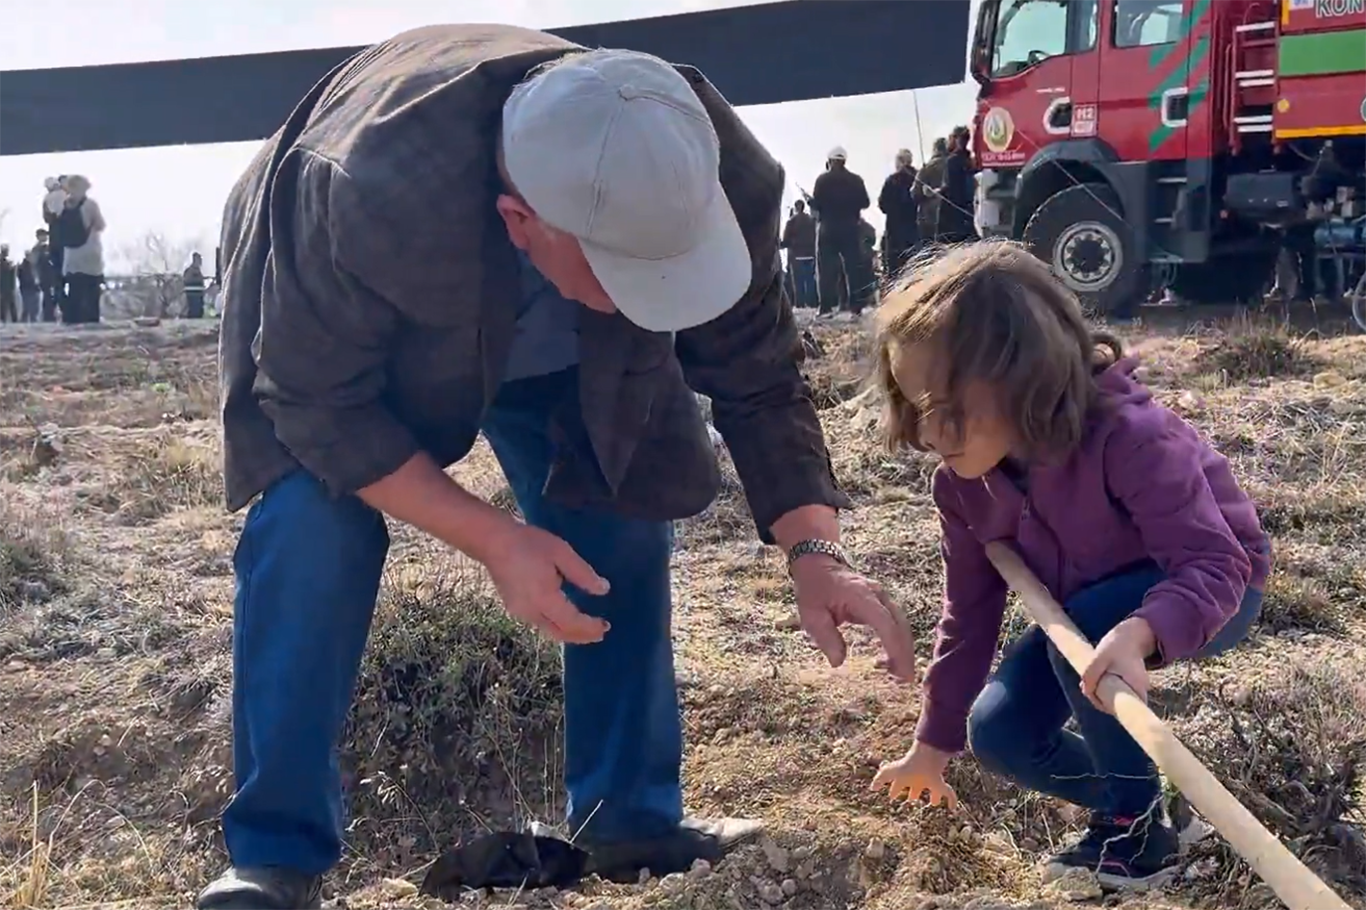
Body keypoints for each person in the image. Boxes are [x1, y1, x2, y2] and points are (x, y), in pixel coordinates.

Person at [204, 24, 916, 910]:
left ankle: (629, 817)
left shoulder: (714, 162)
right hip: (343, 323)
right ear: (521, 223)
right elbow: (317, 405)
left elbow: (759, 372)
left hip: (561, 346)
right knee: (313, 525)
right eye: (633, 274)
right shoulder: (363, 193)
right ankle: (275, 854)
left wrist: (813, 549)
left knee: (619, 493)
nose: (664, 299)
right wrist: (495, 537)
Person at [868, 242, 1270, 892]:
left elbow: (1214, 561)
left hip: (1209, 589)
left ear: (1023, 375)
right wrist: (933, 745)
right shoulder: (964, 487)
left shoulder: (1131, 437)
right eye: (910, 408)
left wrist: (1142, 633)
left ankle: (1137, 834)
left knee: (1084, 631)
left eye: (941, 409)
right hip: (1084, 616)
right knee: (999, 732)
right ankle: (1154, 801)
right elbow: (967, 619)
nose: (925, 434)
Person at [810, 146, 874, 316]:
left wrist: (811, 203)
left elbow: (816, 205)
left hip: (828, 228)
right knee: (853, 268)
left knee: (825, 270)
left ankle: (825, 308)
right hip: (850, 228)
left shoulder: (822, 180)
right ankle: (855, 307)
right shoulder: (856, 180)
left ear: (830, 161)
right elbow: (866, 203)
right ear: (844, 161)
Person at [57, 175, 106, 324]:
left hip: (72, 255)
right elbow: (101, 225)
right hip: (90, 252)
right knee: (92, 289)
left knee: (74, 289)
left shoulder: (63, 205)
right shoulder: (90, 204)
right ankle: (91, 319)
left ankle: (72, 318)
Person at [878, 149, 920, 277]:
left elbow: (882, 205)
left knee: (895, 269)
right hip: (914, 228)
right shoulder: (918, 177)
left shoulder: (891, 180)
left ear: (900, 162)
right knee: (914, 267)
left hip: (894, 229)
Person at [934, 128, 978, 244]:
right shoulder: (970, 160)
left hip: (952, 219)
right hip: (968, 215)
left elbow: (949, 188)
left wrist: (938, 191)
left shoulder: (952, 161)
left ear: (957, 139)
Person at [780, 199, 817, 308]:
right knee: (810, 279)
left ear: (796, 208)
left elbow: (786, 240)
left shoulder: (791, 222)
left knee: (798, 281)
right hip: (810, 255)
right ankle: (811, 302)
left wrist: (779, 245)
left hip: (796, 255)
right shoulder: (811, 221)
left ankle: (800, 304)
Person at [914, 138, 949, 245]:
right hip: (948, 215)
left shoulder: (926, 168)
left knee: (929, 252)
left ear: (935, 149)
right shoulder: (951, 165)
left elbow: (915, 193)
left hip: (928, 217)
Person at [30, 229, 58, 322]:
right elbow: (34, 264)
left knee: (51, 296)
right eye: (43, 235)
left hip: (50, 275)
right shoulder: (37, 249)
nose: (45, 237)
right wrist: (36, 277)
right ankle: (48, 316)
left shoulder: (48, 247)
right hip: (43, 276)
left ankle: (51, 314)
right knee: (47, 296)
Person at [17, 249, 40, 323]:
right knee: (28, 306)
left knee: (32, 306)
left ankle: (31, 320)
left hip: (31, 288)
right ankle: (26, 321)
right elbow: (26, 278)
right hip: (27, 288)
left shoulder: (32, 266)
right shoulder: (24, 266)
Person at [183, 252, 207, 318]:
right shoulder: (189, 271)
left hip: (199, 295)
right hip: (192, 294)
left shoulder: (199, 272)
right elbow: (187, 281)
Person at [0, 247, 16, 323]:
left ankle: (13, 320)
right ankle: (4, 319)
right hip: (3, 287)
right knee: (4, 305)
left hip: (8, 287)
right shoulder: (2, 262)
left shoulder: (6, 262)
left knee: (10, 304)